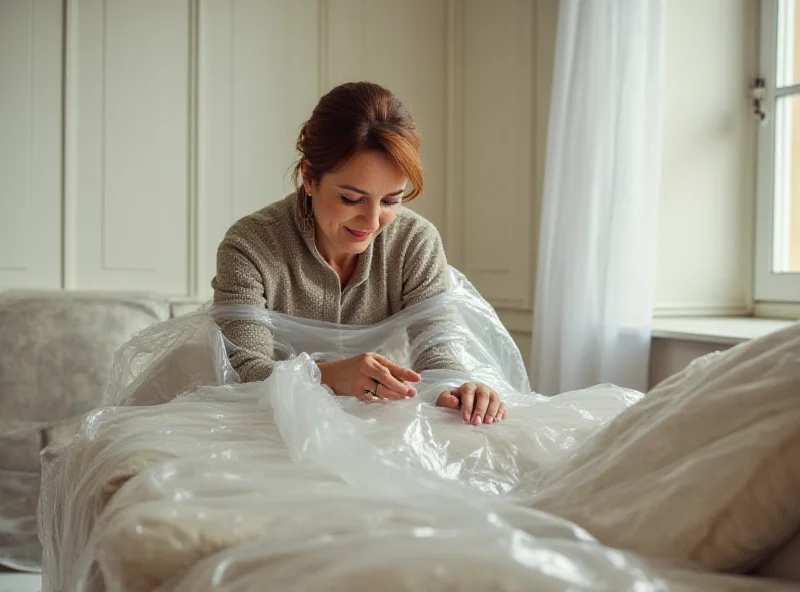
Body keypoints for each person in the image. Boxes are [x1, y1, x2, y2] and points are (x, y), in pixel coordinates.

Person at [212, 81, 506, 426]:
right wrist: (327, 377)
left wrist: (458, 390)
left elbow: (438, 349)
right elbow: (242, 373)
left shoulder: (415, 241)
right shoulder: (250, 245)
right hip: (270, 422)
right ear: (308, 177)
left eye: (391, 201)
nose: (372, 221)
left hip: (380, 418)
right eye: (352, 199)